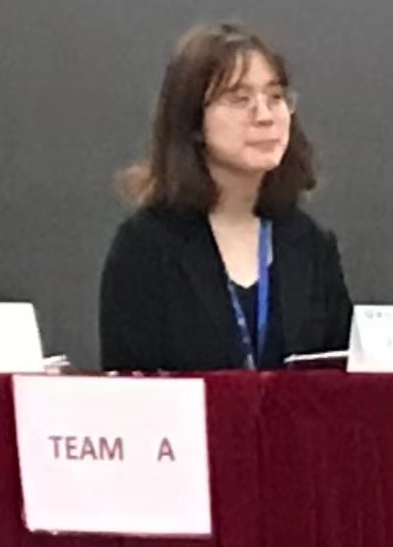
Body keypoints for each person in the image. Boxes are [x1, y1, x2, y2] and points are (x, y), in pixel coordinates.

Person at [99, 22, 352, 372]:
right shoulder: (146, 246)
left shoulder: (310, 245)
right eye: (239, 99)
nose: (265, 116)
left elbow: (343, 383)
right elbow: (130, 388)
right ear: (193, 122)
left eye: (275, 97)